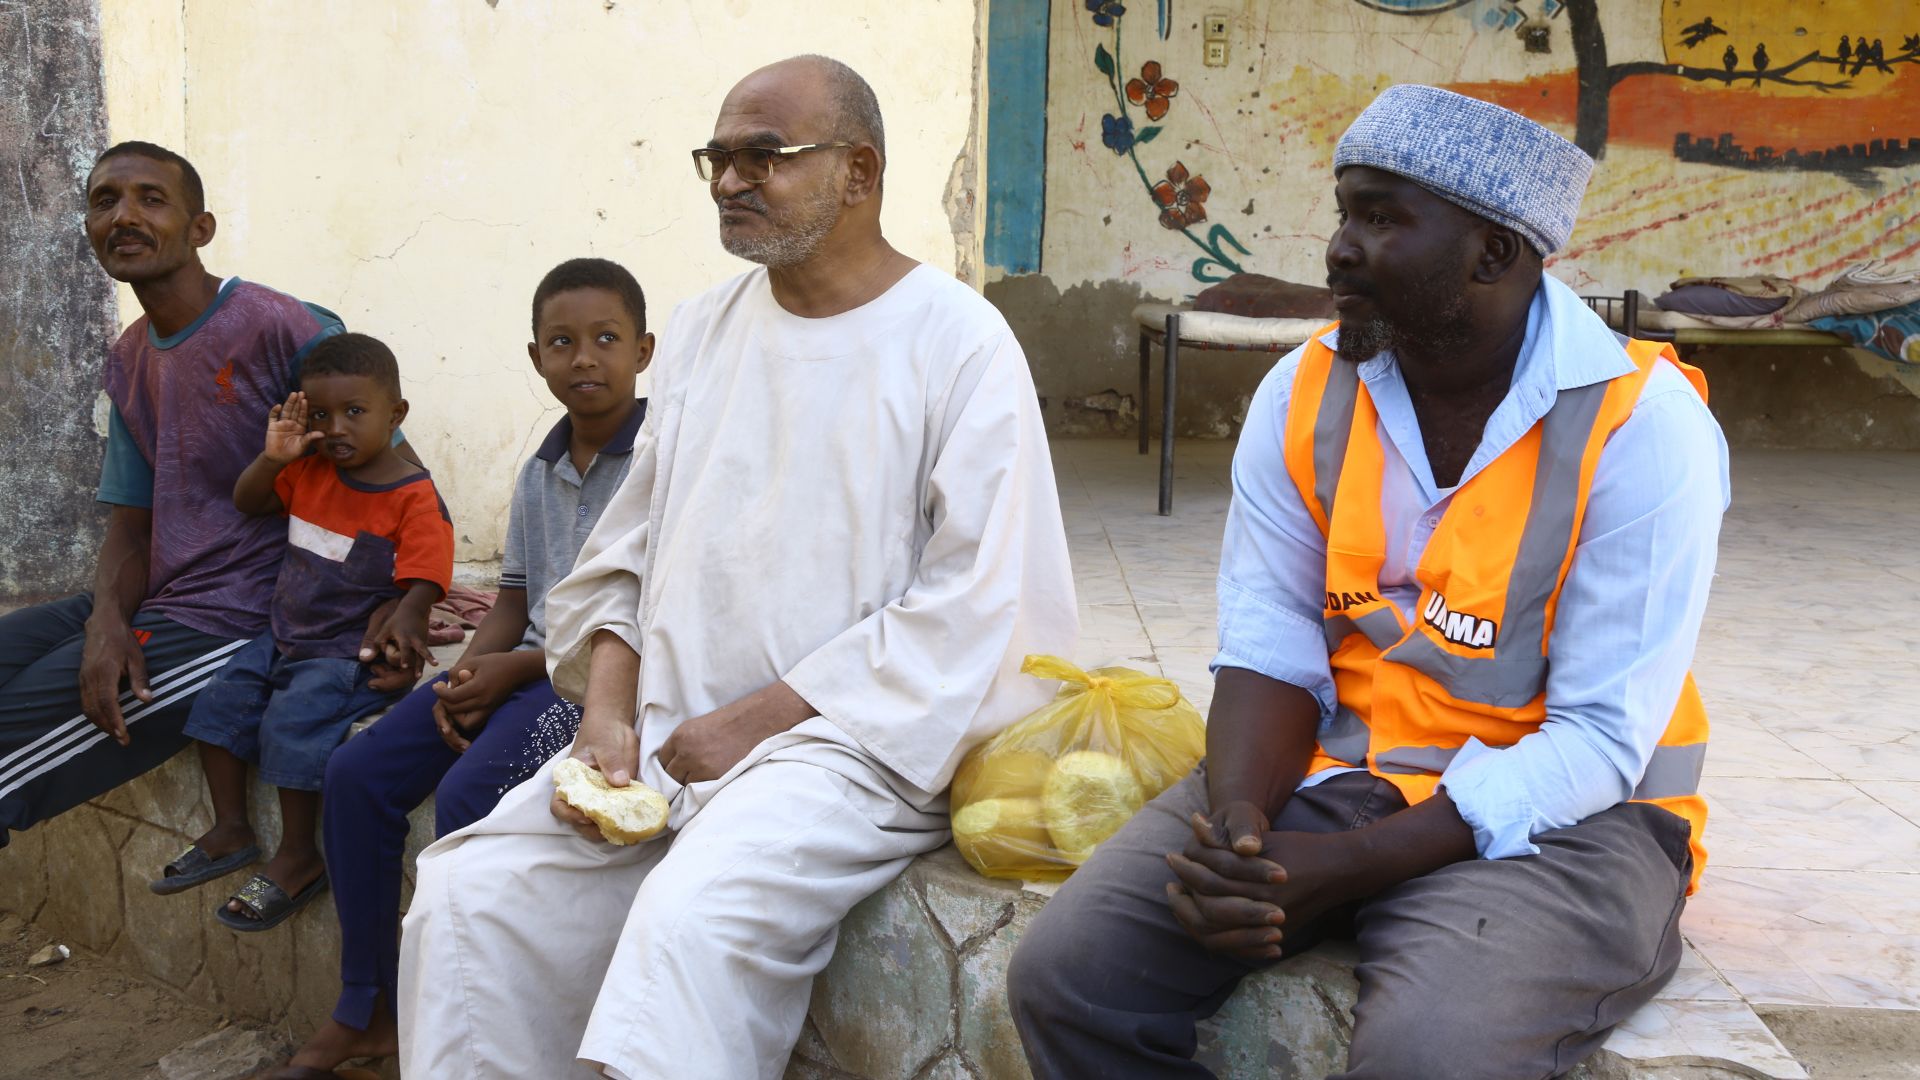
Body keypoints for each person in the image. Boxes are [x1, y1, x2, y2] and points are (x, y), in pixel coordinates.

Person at [1007, 85, 1729, 1079]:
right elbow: (1267, 637)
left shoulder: (1643, 426)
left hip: (1568, 827)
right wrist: (1241, 829)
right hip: (1334, 777)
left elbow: (1603, 740)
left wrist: (1351, 868)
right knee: (1071, 975)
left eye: (1383, 219)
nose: (1340, 247)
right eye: (1347, 210)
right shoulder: (1303, 390)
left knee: (1431, 1057)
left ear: (1495, 254)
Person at [398, 55, 1077, 1079]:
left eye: (765, 156)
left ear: (859, 172)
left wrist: (750, 725)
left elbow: (976, 603)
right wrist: (610, 713)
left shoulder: (959, 343)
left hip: (849, 752)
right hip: (669, 730)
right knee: (470, 897)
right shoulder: (710, 327)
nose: (728, 180)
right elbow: (631, 545)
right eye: (716, 158)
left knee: (689, 924)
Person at [268, 258, 655, 1077]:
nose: (583, 357)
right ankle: (368, 1008)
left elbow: (653, 620)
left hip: (595, 687)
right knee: (356, 773)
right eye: (562, 342)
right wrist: (463, 678)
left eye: (605, 339)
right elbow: (513, 598)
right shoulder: (540, 472)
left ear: (644, 350)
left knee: (475, 792)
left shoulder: (666, 462)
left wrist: (512, 672)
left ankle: (471, 1021)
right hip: (520, 668)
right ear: (536, 357)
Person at [0, 142, 417, 847]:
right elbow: (133, 526)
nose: (124, 216)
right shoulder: (130, 357)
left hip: (240, 615)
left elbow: (387, 473)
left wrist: (403, 599)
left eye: (150, 199)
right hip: (168, 591)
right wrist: (105, 621)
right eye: (105, 201)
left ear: (201, 229)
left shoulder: (281, 325)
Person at [161, 332, 451, 932]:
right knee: (221, 703)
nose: (337, 427)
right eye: (321, 414)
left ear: (395, 415)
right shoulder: (310, 471)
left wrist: (409, 610)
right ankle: (232, 828)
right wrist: (275, 457)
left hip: (346, 653)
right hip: (285, 635)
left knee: (290, 726)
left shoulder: (413, 495)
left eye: (355, 412)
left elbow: (425, 578)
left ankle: (298, 856)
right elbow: (249, 501)